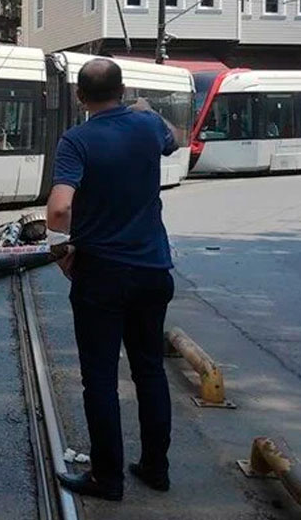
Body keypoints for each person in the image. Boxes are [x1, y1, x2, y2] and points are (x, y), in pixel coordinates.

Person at [47, 57, 184, 501]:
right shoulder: (147, 127)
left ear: (80, 98)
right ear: (123, 92)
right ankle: (155, 468)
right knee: (149, 370)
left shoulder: (76, 140)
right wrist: (148, 110)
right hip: (151, 271)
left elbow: (60, 207)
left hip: (101, 275)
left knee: (101, 379)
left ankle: (107, 479)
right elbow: (177, 139)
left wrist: (58, 249)